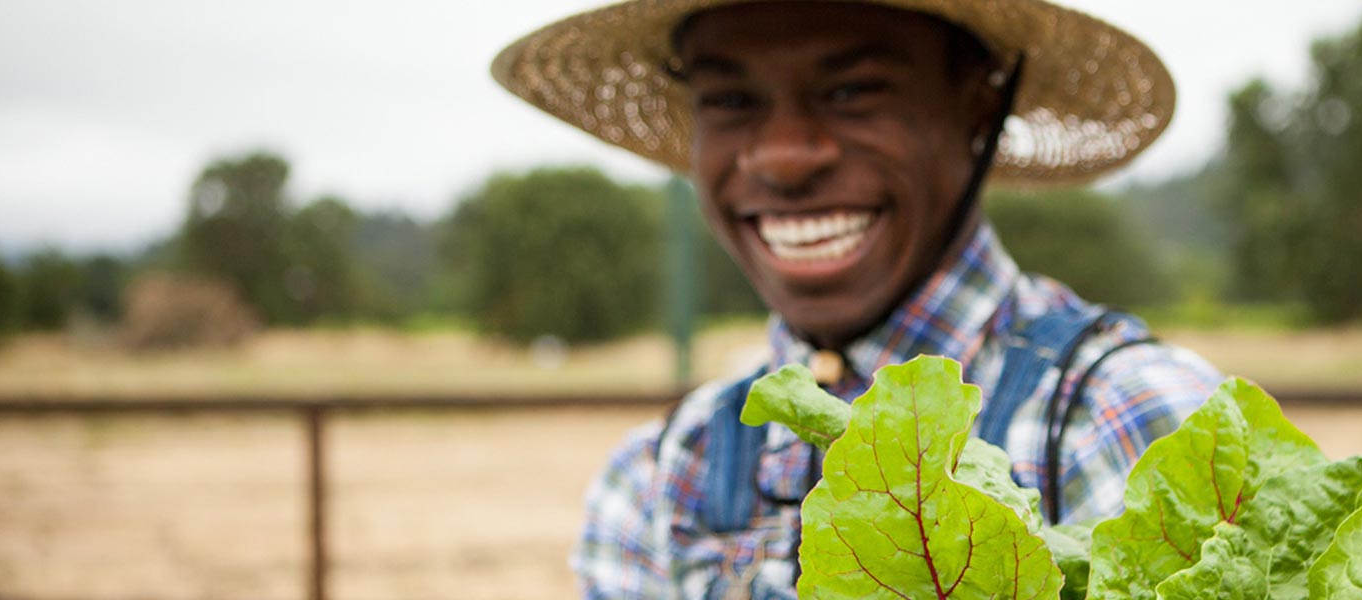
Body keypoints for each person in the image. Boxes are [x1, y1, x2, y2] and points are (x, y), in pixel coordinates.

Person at [492, 0, 1224, 596]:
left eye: (851, 91)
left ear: (979, 107)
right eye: (731, 100)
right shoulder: (665, 473)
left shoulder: (1132, 425)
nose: (782, 155)